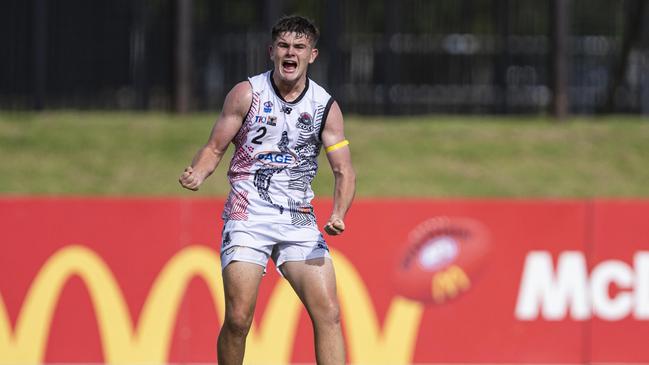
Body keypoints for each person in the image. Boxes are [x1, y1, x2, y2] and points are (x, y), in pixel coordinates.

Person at [179, 15, 355, 365]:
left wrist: (338, 213)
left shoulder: (324, 107)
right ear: (271, 51)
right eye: (284, 46)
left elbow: (344, 170)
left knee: (329, 313)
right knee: (239, 318)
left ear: (312, 55)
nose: (291, 53)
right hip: (248, 213)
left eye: (299, 47)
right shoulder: (247, 94)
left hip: (298, 219)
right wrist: (199, 172)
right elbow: (215, 147)